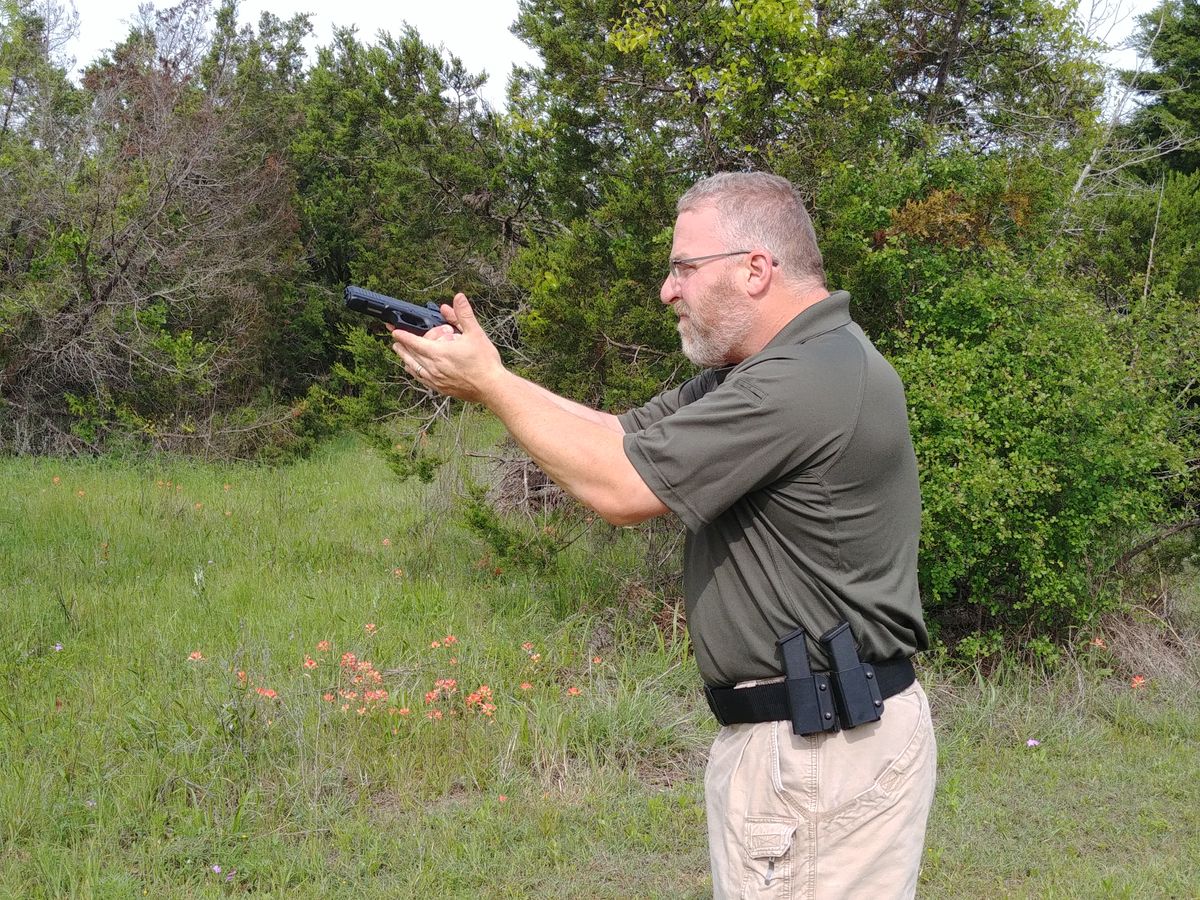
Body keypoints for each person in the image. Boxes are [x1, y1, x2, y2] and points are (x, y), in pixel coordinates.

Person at [389, 171, 936, 899]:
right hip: (810, 743)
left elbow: (620, 488)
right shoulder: (773, 366)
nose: (667, 291)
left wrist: (491, 386)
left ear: (755, 269)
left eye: (683, 267)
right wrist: (496, 376)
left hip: (820, 751)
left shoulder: (804, 379)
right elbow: (618, 437)